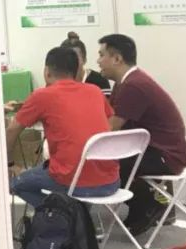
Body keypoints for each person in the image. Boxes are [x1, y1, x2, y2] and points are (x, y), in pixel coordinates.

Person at [96, 34, 186, 235]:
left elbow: (110, 129)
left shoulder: (133, 85)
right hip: (156, 149)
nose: (98, 61)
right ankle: (144, 206)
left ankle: (148, 205)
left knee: (104, 163)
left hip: (166, 156)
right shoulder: (126, 82)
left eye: (102, 55)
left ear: (117, 58)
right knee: (109, 161)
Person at [7, 46, 120, 208]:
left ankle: (66, 214)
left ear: (46, 71)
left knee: (16, 184)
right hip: (111, 181)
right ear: (77, 71)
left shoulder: (42, 95)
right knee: (44, 169)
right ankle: (73, 212)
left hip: (72, 181)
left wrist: (10, 164)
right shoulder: (95, 91)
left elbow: (12, 130)